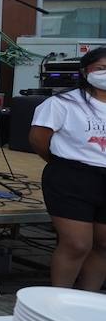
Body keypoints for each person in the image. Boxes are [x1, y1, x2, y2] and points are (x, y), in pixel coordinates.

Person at [30, 47, 106, 290]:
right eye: (102, 69)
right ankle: (58, 299)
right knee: (77, 243)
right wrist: (60, 161)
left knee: (103, 245)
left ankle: (88, 299)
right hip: (72, 176)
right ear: (85, 71)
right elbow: (39, 139)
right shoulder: (63, 102)